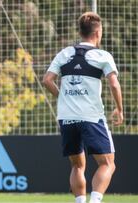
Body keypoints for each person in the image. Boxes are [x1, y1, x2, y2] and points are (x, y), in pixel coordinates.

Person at [42, 12, 123, 203]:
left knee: (77, 167)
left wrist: (63, 97)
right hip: (91, 117)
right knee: (108, 164)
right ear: (98, 32)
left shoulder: (65, 53)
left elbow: (47, 80)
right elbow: (114, 83)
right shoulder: (102, 55)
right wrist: (119, 109)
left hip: (66, 117)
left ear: (80, 32)